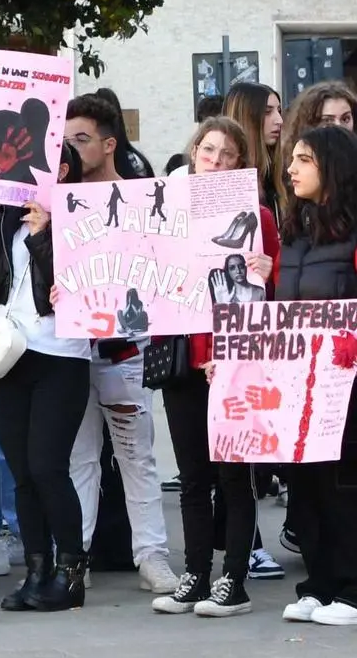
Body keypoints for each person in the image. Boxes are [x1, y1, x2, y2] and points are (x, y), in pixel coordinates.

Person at [153, 117, 278, 619]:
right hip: (183, 355)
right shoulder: (168, 211)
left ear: (242, 162)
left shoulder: (259, 216)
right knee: (192, 476)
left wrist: (268, 274)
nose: (217, 161)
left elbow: (272, 297)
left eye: (228, 154)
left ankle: (235, 579)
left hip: (233, 360)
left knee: (234, 475)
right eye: (209, 151)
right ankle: (195, 573)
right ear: (193, 153)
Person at [0, 176, 93, 611]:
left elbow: (88, 280)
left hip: (62, 354)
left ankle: (71, 575)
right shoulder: (5, 210)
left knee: (48, 466)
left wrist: (45, 234)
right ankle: (37, 570)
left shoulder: (82, 212)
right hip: (8, 352)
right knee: (22, 471)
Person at [61, 94, 178, 595]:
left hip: (125, 346)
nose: (70, 150)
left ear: (109, 145)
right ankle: (76, 557)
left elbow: (163, 269)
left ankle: (151, 554)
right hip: (66, 350)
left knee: (136, 454)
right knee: (78, 458)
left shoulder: (140, 200)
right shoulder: (53, 199)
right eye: (64, 141)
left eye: (81, 140)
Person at [275, 126, 357, 625]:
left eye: (303, 159)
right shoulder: (296, 229)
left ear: (332, 167)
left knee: (342, 482)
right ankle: (318, 583)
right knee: (303, 482)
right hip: (295, 380)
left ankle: (351, 588)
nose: (291, 169)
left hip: (345, 380)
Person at [276, 81, 357, 206]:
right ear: (309, 124)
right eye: (328, 120)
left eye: (345, 119)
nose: (339, 126)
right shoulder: (292, 169)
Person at [224, 82, 284, 212]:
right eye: (267, 112)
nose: (279, 120)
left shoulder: (279, 174)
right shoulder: (222, 180)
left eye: (279, 111)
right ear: (244, 118)